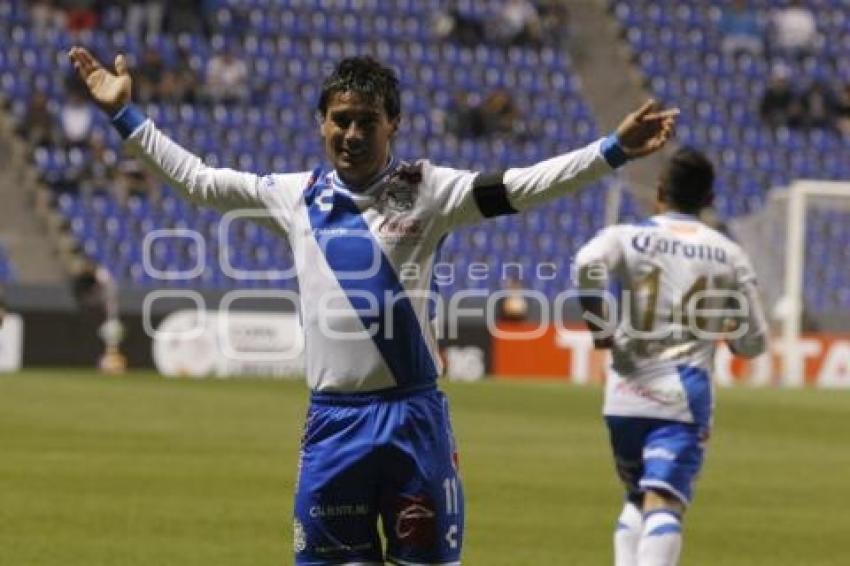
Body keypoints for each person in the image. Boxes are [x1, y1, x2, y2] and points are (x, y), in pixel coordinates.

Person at [67, 46, 677, 565]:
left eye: (366, 121)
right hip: (334, 426)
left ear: (394, 125)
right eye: (340, 120)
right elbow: (197, 181)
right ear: (320, 124)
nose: (351, 134)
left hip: (413, 421)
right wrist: (125, 113)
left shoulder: (431, 191)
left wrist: (611, 152)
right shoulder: (294, 197)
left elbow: (524, 185)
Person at [574, 148, 768, 566]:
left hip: (623, 393)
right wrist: (736, 341)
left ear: (660, 192)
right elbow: (755, 341)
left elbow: (586, 264)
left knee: (637, 495)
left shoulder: (623, 236)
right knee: (664, 502)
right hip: (682, 395)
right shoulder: (728, 253)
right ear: (710, 200)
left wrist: (599, 327)